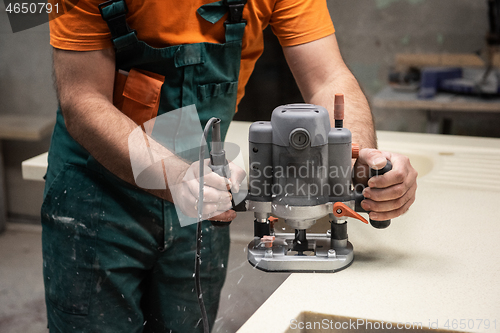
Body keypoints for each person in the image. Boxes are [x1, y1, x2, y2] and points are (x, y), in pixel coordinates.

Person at [42, 0, 418, 332]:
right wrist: (177, 176)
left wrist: (357, 160)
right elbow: (83, 99)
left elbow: (328, 78)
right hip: (96, 192)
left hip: (204, 189)